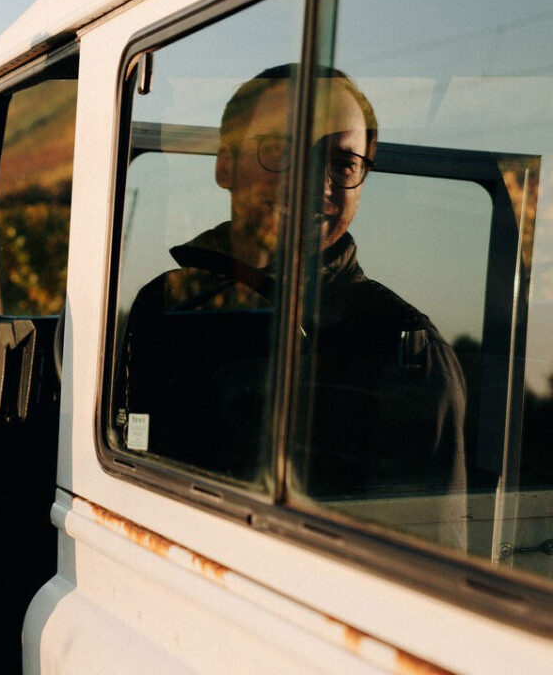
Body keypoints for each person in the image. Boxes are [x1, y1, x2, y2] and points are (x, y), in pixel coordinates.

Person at [119, 65, 467, 548]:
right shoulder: (165, 304)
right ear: (225, 166)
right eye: (280, 150)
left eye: (342, 162)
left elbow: (426, 564)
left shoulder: (402, 344)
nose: (311, 182)